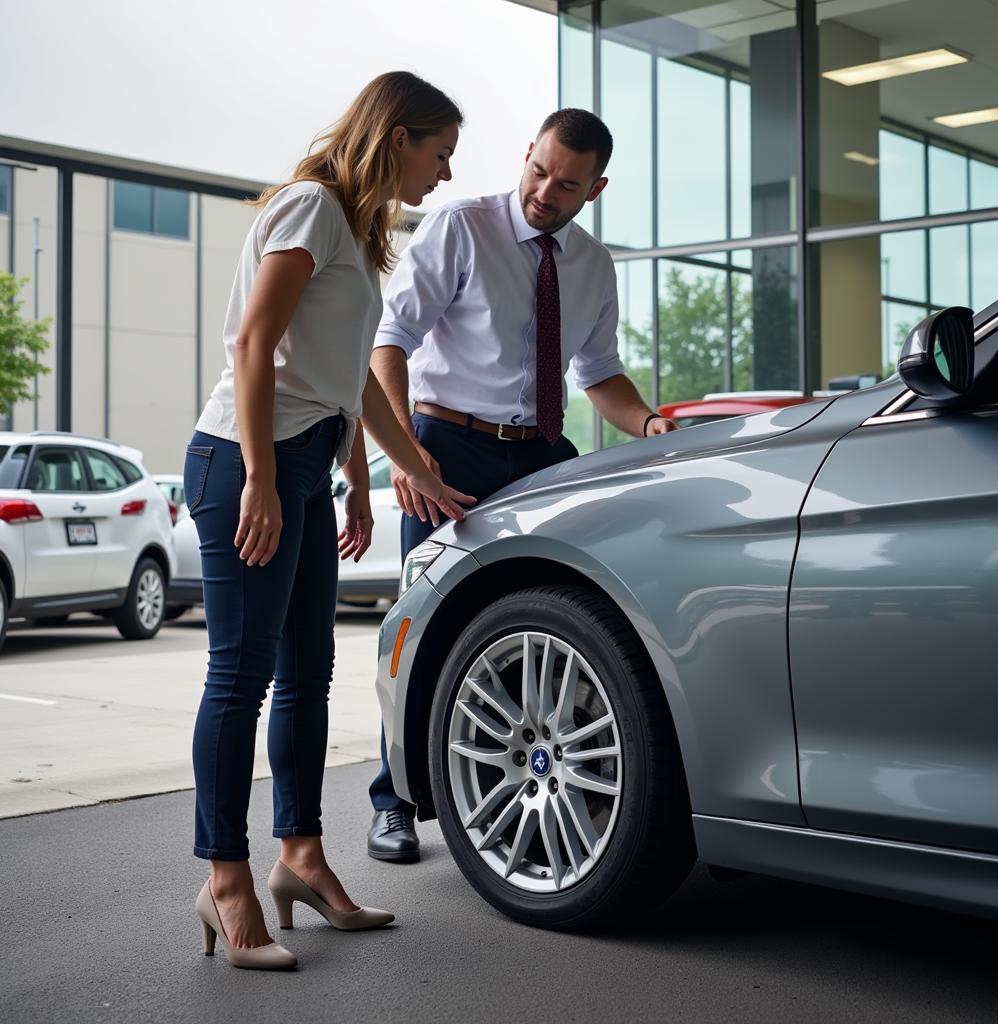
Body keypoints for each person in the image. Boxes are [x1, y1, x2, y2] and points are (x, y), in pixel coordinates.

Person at [184, 71, 473, 971]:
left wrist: (379, 473)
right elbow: (252, 344)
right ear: (396, 138)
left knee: (310, 671)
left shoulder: (353, 228)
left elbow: (343, 377)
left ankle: (300, 857)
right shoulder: (311, 206)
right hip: (242, 458)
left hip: (305, 459)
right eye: (438, 152)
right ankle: (225, 877)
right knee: (242, 676)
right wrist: (263, 481)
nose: (444, 171)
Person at [365, 107, 678, 862]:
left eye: (566, 184)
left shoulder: (593, 265)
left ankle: (510, 792)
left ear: (594, 188)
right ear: (527, 155)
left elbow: (598, 373)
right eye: (538, 171)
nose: (544, 191)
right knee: (429, 628)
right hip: (447, 446)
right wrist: (408, 455)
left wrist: (649, 425)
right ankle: (395, 802)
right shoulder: (460, 227)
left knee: (539, 629)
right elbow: (389, 342)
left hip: (540, 453)